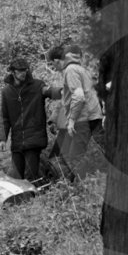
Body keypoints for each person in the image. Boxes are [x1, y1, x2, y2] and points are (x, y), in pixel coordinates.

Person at [0, 57, 56, 181]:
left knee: (30, 176)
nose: (24, 73)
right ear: (13, 72)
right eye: (20, 71)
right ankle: (23, 200)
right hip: (17, 141)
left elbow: (48, 91)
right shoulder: (7, 92)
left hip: (34, 138)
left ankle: (33, 199)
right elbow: (4, 117)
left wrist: (63, 91)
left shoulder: (37, 85)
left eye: (25, 70)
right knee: (16, 177)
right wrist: (2, 139)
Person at [56, 44, 103, 178]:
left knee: (75, 155)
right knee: (81, 152)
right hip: (93, 114)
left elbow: (78, 96)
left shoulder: (70, 70)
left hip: (84, 117)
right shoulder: (81, 68)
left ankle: (82, 187)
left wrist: (71, 120)